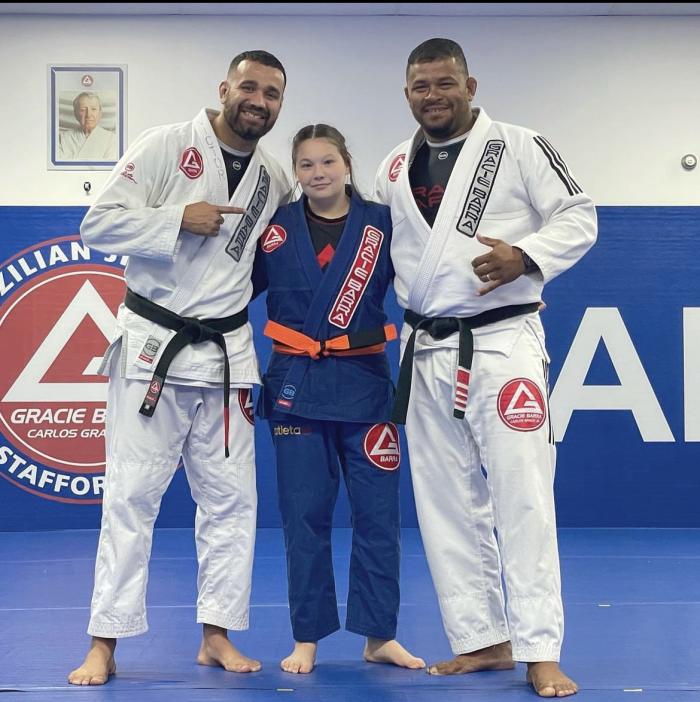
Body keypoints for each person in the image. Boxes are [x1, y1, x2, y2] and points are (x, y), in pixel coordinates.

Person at [374, 38, 596, 697]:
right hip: (425, 346)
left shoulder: (521, 145)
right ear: (406, 94)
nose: (433, 96)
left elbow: (579, 215)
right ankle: (482, 640)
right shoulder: (392, 166)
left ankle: (540, 649)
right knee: (444, 501)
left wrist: (526, 257)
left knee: (522, 495)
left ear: (470, 85)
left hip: (502, 344)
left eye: (445, 83)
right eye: (421, 86)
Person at [67, 50, 291, 686]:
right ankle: (104, 642)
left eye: (272, 93)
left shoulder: (274, 179)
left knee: (232, 502)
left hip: (226, 357)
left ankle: (217, 634)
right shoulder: (166, 146)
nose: (258, 101)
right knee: (131, 497)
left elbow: (264, 265)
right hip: (154, 351)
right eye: (249, 87)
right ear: (224, 88)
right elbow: (97, 225)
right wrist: (175, 220)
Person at [253, 124, 425, 675]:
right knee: (303, 516)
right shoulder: (274, 227)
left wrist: (498, 297)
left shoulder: (383, 223)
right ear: (295, 171)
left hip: (366, 386)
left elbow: (429, 276)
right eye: (306, 165)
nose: (318, 173)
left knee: (379, 515)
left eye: (327, 161)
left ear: (347, 163)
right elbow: (225, 284)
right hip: (296, 386)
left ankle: (380, 635)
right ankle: (307, 637)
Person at [58, 92, 118, 161]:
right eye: (83, 110)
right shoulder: (63, 138)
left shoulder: (111, 139)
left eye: (93, 109)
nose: (88, 115)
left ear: (100, 113)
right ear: (76, 114)